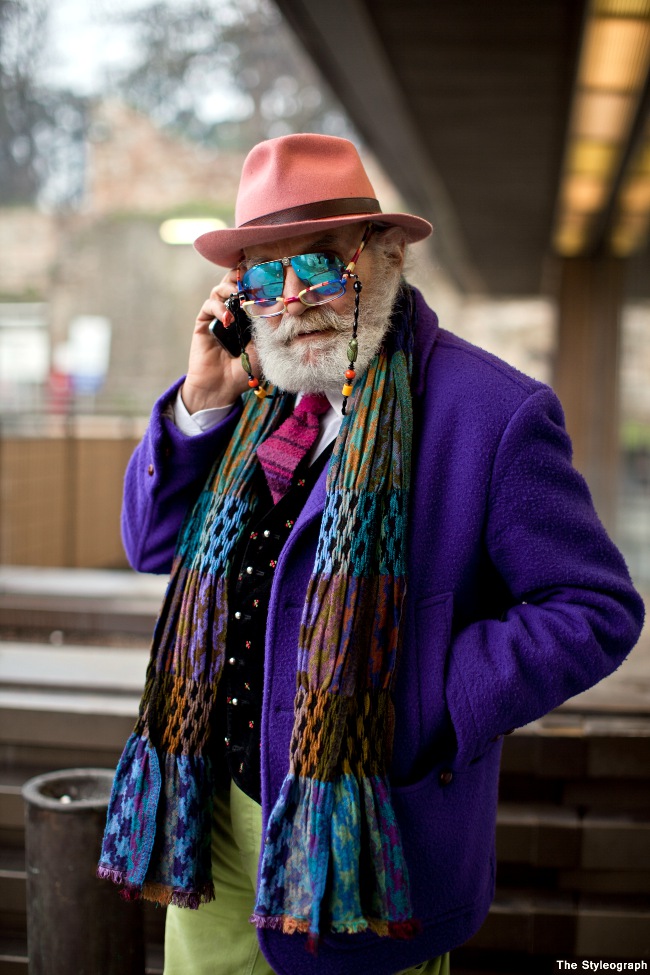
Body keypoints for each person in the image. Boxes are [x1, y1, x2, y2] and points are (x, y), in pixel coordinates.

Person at [98, 134, 644, 975]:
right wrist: (202, 397)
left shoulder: (492, 411)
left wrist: (428, 693)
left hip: (366, 843)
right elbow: (150, 542)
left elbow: (594, 608)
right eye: (262, 276)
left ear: (387, 252)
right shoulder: (251, 396)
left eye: (316, 265)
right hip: (212, 830)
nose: (290, 300)